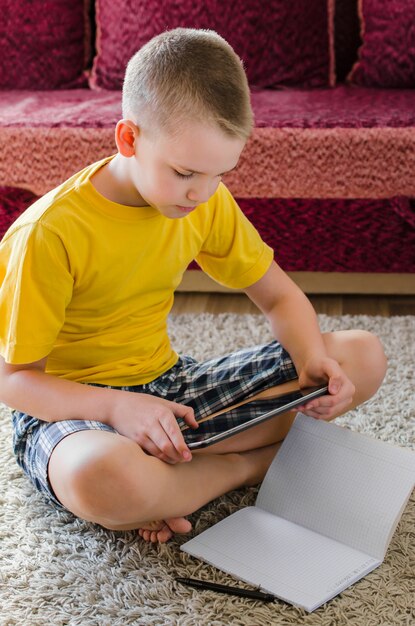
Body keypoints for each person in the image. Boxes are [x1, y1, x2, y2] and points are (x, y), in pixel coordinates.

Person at [0, 28, 387, 543]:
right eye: (186, 173)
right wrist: (117, 408)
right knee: (102, 477)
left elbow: (279, 296)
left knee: (362, 357)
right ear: (129, 139)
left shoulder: (201, 199)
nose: (202, 194)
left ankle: (173, 485)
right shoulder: (49, 233)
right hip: (73, 414)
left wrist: (312, 360)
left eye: (220, 175)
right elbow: (14, 382)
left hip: (170, 390)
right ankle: (250, 467)